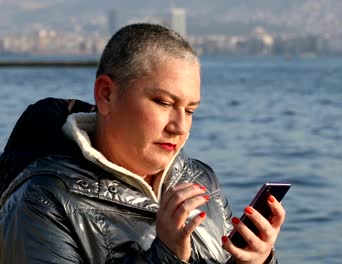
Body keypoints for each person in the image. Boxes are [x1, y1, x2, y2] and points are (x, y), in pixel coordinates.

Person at [0, 23, 286, 263]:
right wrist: (167, 255)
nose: (180, 127)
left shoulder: (201, 179)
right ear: (106, 95)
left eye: (190, 110)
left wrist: (256, 259)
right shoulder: (42, 200)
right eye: (163, 102)